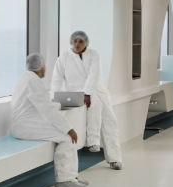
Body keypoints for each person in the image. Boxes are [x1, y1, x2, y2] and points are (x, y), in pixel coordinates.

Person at [11, 53, 87, 187]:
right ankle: (65, 180)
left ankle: (72, 176)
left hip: (24, 124)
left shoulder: (26, 78)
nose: (45, 69)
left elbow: (42, 103)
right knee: (67, 137)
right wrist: (69, 129)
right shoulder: (34, 81)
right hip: (25, 126)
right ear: (40, 67)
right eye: (44, 65)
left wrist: (58, 105)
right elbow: (47, 110)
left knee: (65, 135)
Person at [51, 30, 122, 169]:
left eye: (81, 41)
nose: (77, 44)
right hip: (76, 93)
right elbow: (56, 79)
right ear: (71, 42)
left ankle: (115, 158)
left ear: (86, 43)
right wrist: (55, 98)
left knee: (110, 122)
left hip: (97, 91)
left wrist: (88, 93)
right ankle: (92, 142)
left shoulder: (93, 55)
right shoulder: (64, 57)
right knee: (92, 108)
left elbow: (94, 75)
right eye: (75, 41)